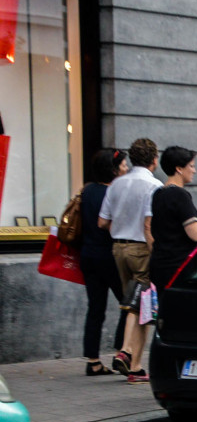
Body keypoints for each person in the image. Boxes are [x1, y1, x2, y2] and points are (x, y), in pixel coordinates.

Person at [99, 138, 162, 383]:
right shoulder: (154, 185)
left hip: (118, 248)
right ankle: (128, 355)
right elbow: (150, 223)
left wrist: (122, 223)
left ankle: (134, 363)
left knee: (133, 302)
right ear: (154, 160)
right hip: (141, 249)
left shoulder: (116, 184)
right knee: (140, 305)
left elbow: (102, 222)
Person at [79, 149, 129, 376]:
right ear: (113, 169)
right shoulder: (113, 193)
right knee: (129, 305)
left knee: (95, 309)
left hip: (88, 256)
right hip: (109, 256)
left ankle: (93, 360)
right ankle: (122, 352)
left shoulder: (86, 191)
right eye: (123, 165)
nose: (126, 168)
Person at [149, 146, 197, 292]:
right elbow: (194, 233)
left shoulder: (158, 194)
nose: (194, 170)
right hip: (178, 266)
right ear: (179, 169)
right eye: (191, 166)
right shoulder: (180, 195)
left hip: (159, 264)